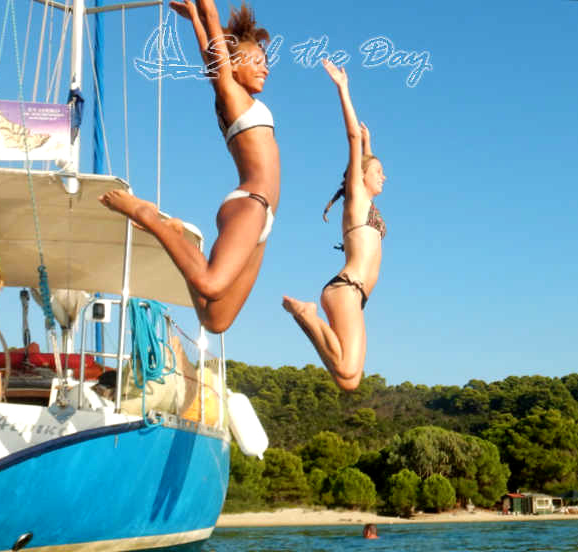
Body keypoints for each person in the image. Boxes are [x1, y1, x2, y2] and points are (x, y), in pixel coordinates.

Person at [99, 0, 278, 334]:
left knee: (215, 321)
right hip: (250, 205)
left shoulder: (239, 96)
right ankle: (148, 217)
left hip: (264, 218)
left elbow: (209, 48)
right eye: (256, 61)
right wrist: (203, 12)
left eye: (265, 63)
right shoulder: (229, 93)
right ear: (231, 66)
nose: (265, 69)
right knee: (209, 284)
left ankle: (179, 237)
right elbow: (213, 36)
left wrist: (194, 17)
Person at [282, 60, 386, 392]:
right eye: (379, 172)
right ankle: (306, 314)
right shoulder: (356, 197)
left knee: (350, 380)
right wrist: (343, 88)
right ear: (361, 177)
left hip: (357, 296)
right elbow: (352, 137)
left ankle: (308, 315)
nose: (384, 177)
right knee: (345, 369)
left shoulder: (367, 204)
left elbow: (366, 160)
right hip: (346, 288)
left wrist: (370, 147)